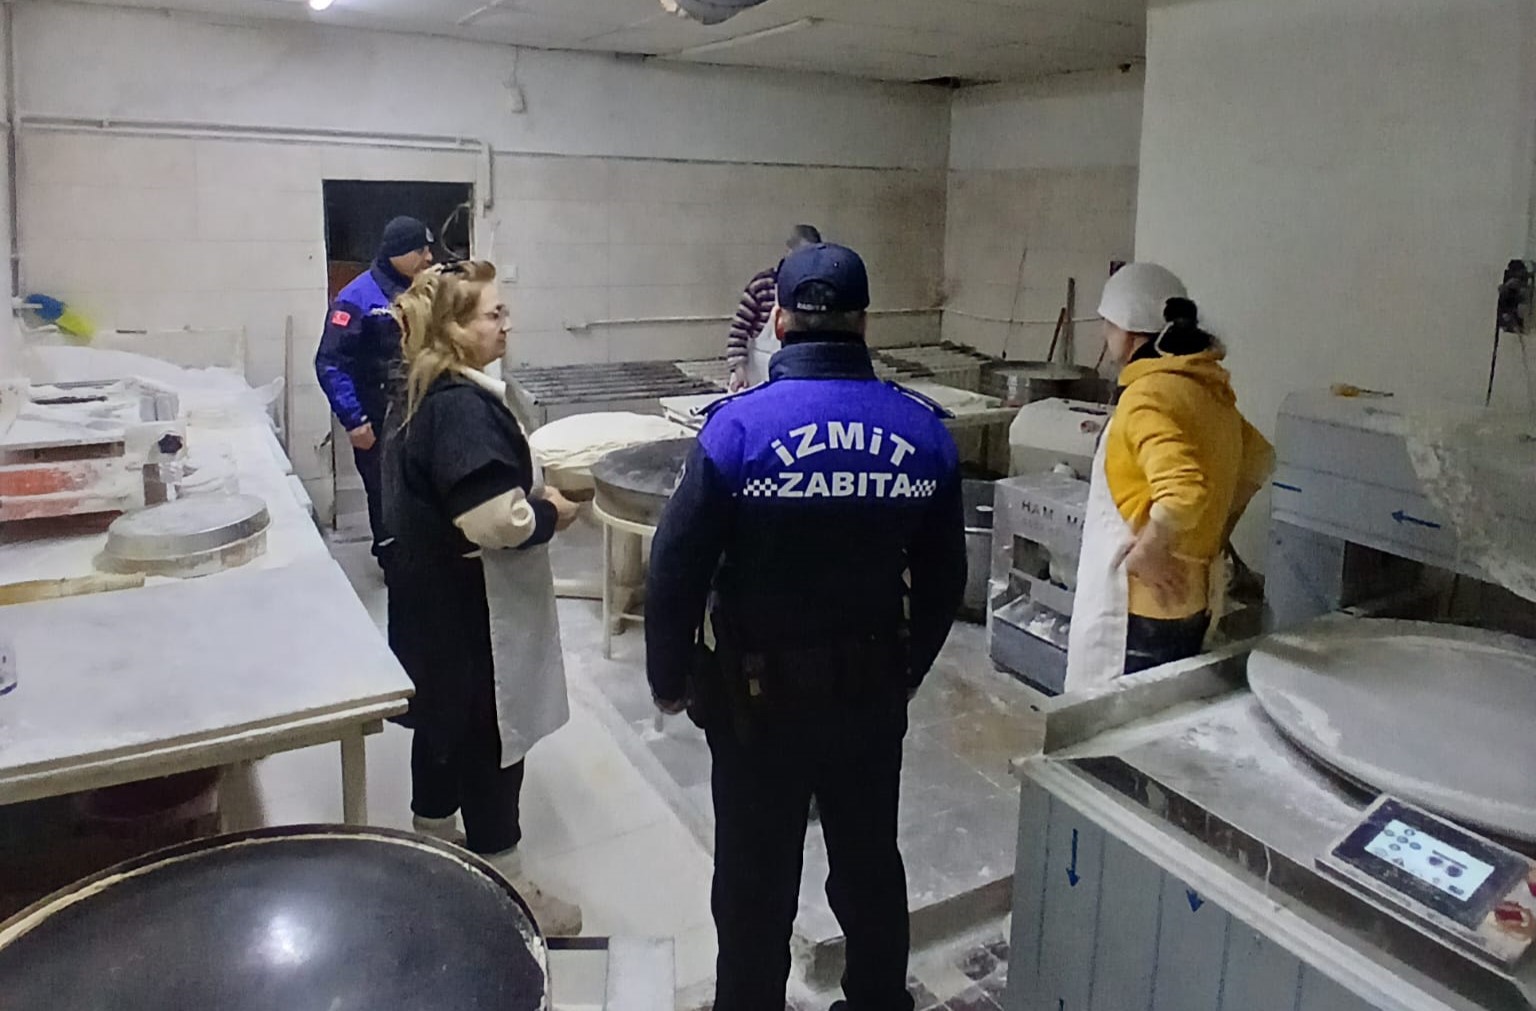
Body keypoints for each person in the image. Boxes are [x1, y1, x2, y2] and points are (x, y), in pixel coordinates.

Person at [647, 244, 967, 1011]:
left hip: (756, 709)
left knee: (754, 882)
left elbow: (675, 567)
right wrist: (907, 671)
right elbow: (945, 579)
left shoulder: (737, 432)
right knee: (869, 868)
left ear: (782, 323)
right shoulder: (924, 432)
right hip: (868, 701)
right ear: (864, 323)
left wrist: (671, 679)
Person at [381, 259, 584, 935]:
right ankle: (510, 888)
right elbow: (498, 521)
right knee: (493, 743)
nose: (506, 325)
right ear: (455, 329)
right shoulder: (461, 410)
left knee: (441, 727)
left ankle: (434, 845)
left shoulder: (421, 387)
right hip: (473, 614)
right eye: (493, 314)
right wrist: (550, 510)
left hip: (429, 604)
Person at [1064, 262, 1273, 691]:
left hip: (1138, 608)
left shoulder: (1148, 395)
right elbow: (1258, 461)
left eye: (1108, 325)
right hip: (1193, 599)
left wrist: (1149, 550)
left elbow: (1182, 491)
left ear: (1130, 332)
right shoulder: (1207, 391)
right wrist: (1213, 534)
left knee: (1113, 720)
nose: (1105, 336)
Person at [315, 215, 436, 561]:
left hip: (420, 412)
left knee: (423, 487)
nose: (429, 257)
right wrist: (354, 420)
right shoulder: (358, 298)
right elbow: (330, 362)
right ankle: (393, 560)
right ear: (398, 252)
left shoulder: (424, 291)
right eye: (420, 250)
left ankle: (425, 556)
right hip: (378, 417)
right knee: (385, 491)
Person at [725, 223, 822, 392]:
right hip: (756, 376)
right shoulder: (762, 285)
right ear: (789, 252)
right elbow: (738, 330)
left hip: (793, 374)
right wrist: (738, 367)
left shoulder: (813, 291)